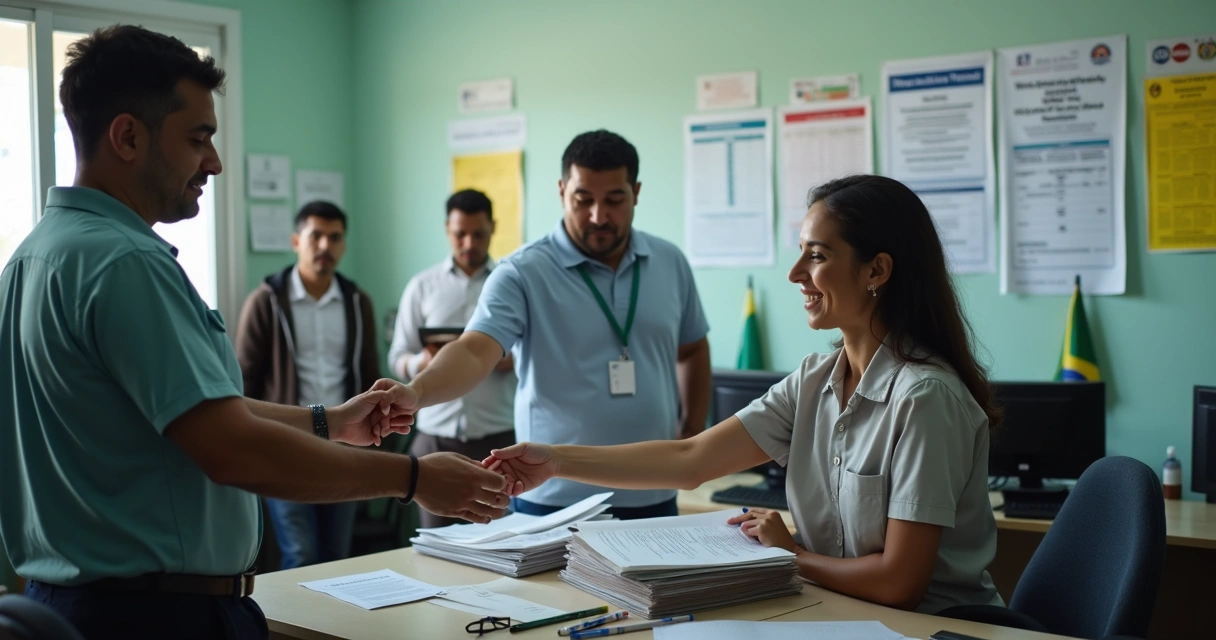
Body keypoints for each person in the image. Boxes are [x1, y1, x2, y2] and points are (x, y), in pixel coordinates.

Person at [0, 25, 507, 640]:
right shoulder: (125, 264)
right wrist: (416, 479)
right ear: (128, 136)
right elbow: (232, 448)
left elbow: (206, 415)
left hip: (76, 603)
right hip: (156, 617)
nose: (213, 162)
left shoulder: (34, 257)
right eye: (198, 139)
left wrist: (330, 421)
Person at [484, 175, 1005, 614]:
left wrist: (790, 553)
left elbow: (900, 583)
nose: (796, 273)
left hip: (938, 625)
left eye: (817, 256)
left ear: (877, 270)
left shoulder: (924, 397)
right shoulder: (815, 379)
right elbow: (691, 458)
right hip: (845, 614)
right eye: (800, 253)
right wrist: (553, 460)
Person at [388, 130, 712, 520]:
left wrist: (692, 432)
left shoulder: (669, 262)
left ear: (636, 193)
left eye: (614, 200)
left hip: (652, 491)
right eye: (583, 200)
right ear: (562, 191)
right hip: (554, 498)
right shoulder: (522, 272)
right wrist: (416, 392)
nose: (598, 216)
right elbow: (474, 352)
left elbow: (692, 347)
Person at [235, 201, 380, 569]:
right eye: (315, 236)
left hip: (344, 446)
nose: (324, 247)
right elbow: (242, 382)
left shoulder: (357, 302)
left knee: (337, 557)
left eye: (335, 238)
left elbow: (369, 374)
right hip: (286, 444)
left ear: (344, 245)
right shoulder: (266, 302)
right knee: (300, 554)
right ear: (297, 240)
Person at [387, 189, 517, 529]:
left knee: (499, 545)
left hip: (498, 441)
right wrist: (423, 365)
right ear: (448, 229)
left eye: (479, 233)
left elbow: (535, 353)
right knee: (434, 549)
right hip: (435, 439)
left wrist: (511, 359)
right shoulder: (422, 286)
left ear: (493, 228)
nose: (469, 242)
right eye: (461, 233)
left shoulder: (511, 283)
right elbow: (397, 358)